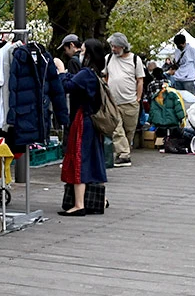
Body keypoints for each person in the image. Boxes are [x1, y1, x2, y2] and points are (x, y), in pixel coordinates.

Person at [60, 39, 109, 215]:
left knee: (80, 158)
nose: (79, 52)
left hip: (83, 120)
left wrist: (61, 71)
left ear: (88, 54)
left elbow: (67, 86)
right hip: (93, 121)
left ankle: (79, 204)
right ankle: (100, 199)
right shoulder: (97, 73)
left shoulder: (86, 73)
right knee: (95, 159)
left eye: (82, 50)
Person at [104, 33, 144, 166]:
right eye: (112, 46)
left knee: (129, 131)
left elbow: (140, 80)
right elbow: (106, 76)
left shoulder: (135, 59)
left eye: (115, 46)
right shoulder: (108, 58)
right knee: (117, 129)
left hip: (130, 102)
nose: (113, 49)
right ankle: (124, 155)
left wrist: (138, 98)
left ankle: (124, 151)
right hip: (113, 102)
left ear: (123, 46)